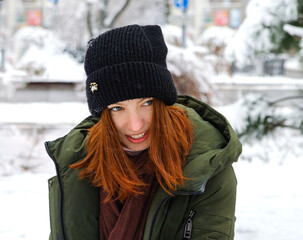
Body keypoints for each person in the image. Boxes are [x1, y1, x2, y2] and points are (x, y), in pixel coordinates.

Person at [45, 24, 242, 240]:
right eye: (117, 108)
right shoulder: (77, 166)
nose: (136, 125)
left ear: (162, 102)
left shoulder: (207, 169)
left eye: (147, 103)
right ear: (103, 114)